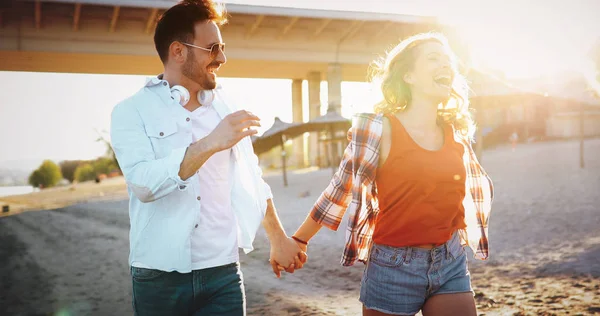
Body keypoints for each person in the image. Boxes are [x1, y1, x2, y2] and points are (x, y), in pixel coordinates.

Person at [110, 1, 305, 315]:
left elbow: (252, 177)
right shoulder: (130, 111)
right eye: (213, 48)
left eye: (223, 47)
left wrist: (278, 237)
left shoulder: (227, 107)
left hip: (223, 273)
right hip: (158, 277)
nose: (223, 58)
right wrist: (211, 142)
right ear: (178, 51)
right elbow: (143, 185)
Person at [291, 33, 494, 316]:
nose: (446, 65)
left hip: (449, 261)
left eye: (448, 60)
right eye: (434, 58)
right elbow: (340, 189)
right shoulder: (377, 130)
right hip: (392, 266)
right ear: (408, 75)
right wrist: (299, 240)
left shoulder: (454, 131)